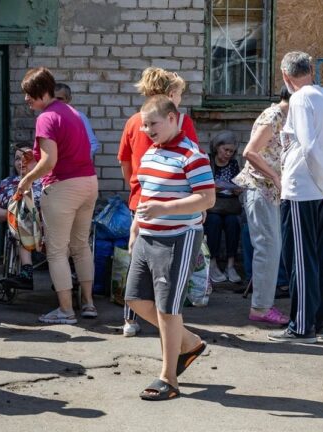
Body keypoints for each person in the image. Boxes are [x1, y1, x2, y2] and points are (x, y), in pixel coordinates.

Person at [126, 95, 215, 401]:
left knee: (167, 308)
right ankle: (189, 342)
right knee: (135, 300)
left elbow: (207, 199)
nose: (147, 130)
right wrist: (135, 227)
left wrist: (164, 210)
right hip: (147, 236)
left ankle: (169, 379)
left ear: (173, 118)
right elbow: (145, 194)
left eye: (153, 123)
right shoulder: (151, 152)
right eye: (144, 125)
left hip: (178, 237)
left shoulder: (192, 155)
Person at [268, 51, 323, 343]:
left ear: (285, 77)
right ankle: (319, 323)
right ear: (312, 71)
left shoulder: (300, 99)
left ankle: (301, 326)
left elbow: (307, 146)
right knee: (316, 256)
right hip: (319, 190)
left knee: (300, 259)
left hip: (301, 190)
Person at [117, 67, 197, 337]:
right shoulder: (180, 122)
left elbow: (125, 162)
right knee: (164, 266)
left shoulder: (133, 121)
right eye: (179, 94)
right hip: (171, 202)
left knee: (137, 261)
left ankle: (131, 318)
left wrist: (135, 188)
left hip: (140, 199)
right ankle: (170, 323)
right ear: (171, 94)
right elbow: (192, 161)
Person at [18, 67, 98, 324]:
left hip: (63, 187)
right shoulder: (72, 112)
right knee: (81, 246)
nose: (26, 100)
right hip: (89, 183)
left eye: (29, 94)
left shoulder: (46, 117)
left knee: (56, 251)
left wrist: (26, 180)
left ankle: (65, 311)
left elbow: (50, 161)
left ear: (40, 91)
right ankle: (88, 304)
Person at [234, 87, 292, 325]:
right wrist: (276, 177)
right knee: (267, 249)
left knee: (271, 248)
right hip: (261, 189)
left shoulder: (286, 116)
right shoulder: (273, 116)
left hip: (269, 191)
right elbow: (250, 152)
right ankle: (260, 308)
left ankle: (263, 304)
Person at [0, 142, 42, 283]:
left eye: (27, 157)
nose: (21, 161)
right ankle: (27, 270)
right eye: (18, 158)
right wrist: (11, 214)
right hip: (20, 227)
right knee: (21, 218)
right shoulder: (6, 184)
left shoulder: (45, 182)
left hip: (46, 226)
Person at [204, 131, 244, 284]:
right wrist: (214, 188)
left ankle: (230, 265)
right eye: (225, 150)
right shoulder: (208, 161)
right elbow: (201, 185)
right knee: (213, 221)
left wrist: (238, 188)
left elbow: (238, 182)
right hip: (212, 205)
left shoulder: (233, 164)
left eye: (232, 151)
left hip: (230, 205)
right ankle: (213, 263)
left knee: (233, 222)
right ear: (217, 147)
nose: (228, 154)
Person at [54, 82, 100, 159]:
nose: (56, 102)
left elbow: (93, 144)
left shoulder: (79, 117)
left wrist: (79, 160)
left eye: (60, 99)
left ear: (69, 99)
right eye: (53, 99)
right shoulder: (45, 119)